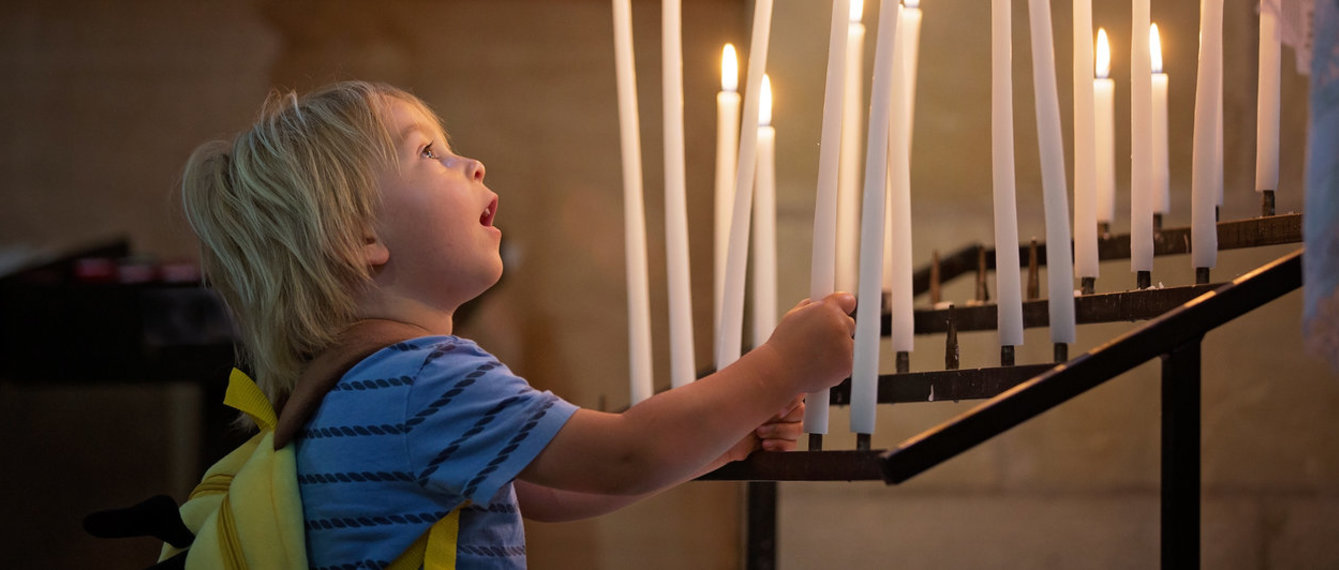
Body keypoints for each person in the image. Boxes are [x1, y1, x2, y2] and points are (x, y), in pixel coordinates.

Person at [180, 80, 856, 569]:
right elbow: (626, 454)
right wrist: (781, 365)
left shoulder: (353, 387)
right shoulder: (425, 380)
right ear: (358, 238)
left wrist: (728, 446)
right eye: (427, 154)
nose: (470, 163)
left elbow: (554, 490)